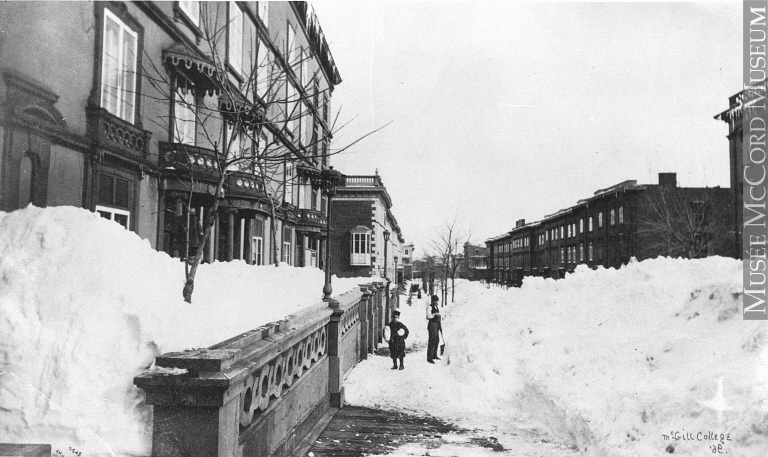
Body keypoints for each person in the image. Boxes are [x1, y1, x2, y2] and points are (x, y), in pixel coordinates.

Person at [426, 295, 442, 363]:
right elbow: (428, 316)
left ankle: (434, 355)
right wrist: (435, 314)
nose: (436, 302)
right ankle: (429, 357)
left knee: (437, 340)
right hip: (432, 324)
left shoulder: (436, 307)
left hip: (437, 324)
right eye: (435, 301)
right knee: (432, 340)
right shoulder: (429, 307)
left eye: (437, 301)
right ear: (432, 301)